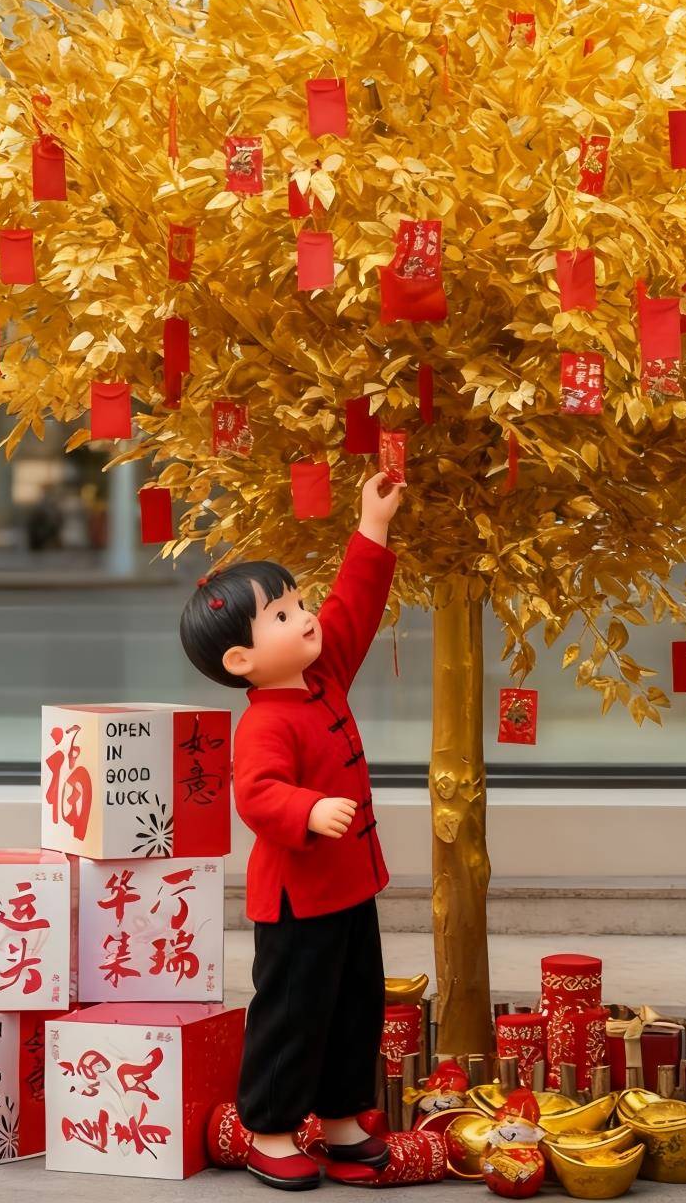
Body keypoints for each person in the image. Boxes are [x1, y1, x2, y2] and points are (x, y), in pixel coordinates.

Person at [179, 472, 406, 1191]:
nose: (304, 617)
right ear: (240, 660)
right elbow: (256, 794)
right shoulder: (265, 722)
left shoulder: (322, 672)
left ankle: (342, 1118)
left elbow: (354, 608)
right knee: (293, 1012)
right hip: (298, 902)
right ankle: (270, 1127)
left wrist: (372, 527)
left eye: (296, 603)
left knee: (355, 1003)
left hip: (350, 887)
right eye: (281, 615)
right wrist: (306, 810)